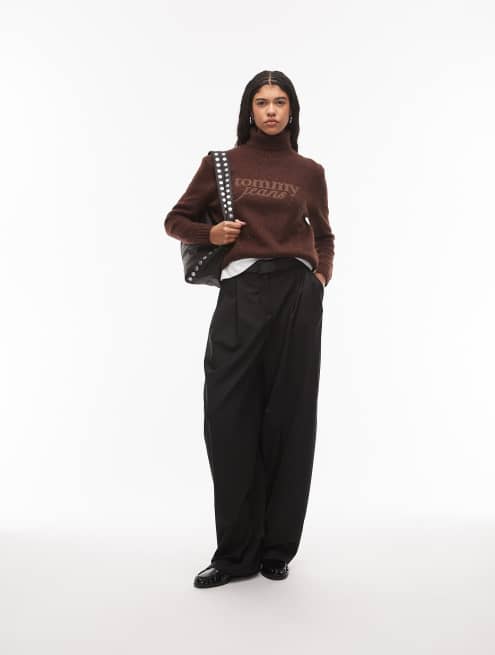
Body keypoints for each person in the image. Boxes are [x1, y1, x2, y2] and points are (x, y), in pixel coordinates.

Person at [163, 70, 335, 589]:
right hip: (241, 293)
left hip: (297, 296)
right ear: (249, 110)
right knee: (228, 416)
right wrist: (211, 232)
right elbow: (175, 220)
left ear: (292, 110)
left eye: (280, 102)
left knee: (290, 418)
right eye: (262, 102)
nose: (272, 110)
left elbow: (324, 236)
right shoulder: (222, 163)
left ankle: (277, 549)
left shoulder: (309, 171)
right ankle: (236, 554)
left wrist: (319, 280)